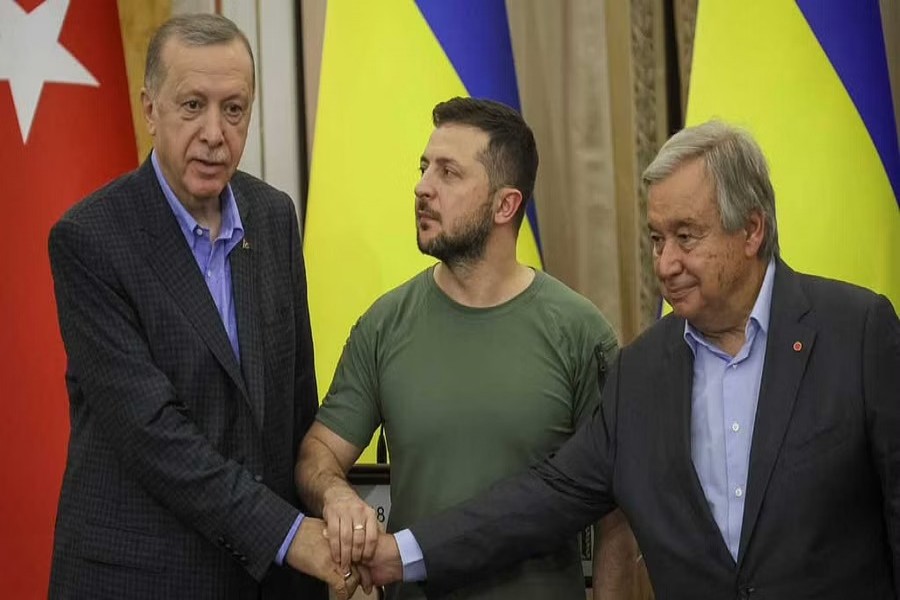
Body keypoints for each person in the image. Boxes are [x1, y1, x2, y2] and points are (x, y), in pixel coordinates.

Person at [360, 120, 900, 599]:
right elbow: (542, 498)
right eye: (656, 239)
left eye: (686, 238)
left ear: (752, 230)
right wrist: (398, 554)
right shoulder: (641, 373)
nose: (665, 265)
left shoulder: (856, 333)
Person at [47, 14, 356, 600]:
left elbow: (293, 404)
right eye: (193, 106)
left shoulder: (273, 216)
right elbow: (155, 435)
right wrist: (292, 536)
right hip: (141, 577)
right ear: (149, 108)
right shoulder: (90, 239)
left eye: (234, 109)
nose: (215, 132)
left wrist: (329, 500)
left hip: (267, 580)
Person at [296, 97, 641, 599]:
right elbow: (318, 452)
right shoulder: (385, 323)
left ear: (505, 205)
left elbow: (617, 519)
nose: (422, 187)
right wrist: (336, 496)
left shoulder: (580, 332)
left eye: (448, 173)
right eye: (424, 168)